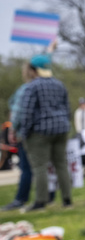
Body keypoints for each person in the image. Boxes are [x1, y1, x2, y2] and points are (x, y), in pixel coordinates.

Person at [17, 55, 74, 212]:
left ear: (33, 70)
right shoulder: (59, 84)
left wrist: (24, 133)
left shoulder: (32, 87)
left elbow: (26, 112)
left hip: (40, 132)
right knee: (61, 164)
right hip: (61, 129)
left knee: (39, 167)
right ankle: (67, 199)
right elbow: (67, 108)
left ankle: (40, 202)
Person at [1, 63, 37, 211]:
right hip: (43, 132)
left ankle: (20, 199)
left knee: (26, 168)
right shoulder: (46, 85)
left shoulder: (25, 89)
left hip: (27, 134)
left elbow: (16, 112)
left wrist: (12, 130)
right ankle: (46, 197)